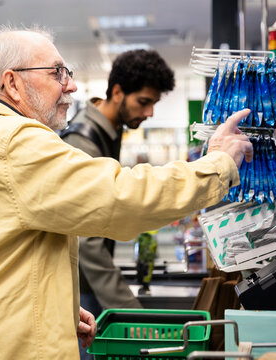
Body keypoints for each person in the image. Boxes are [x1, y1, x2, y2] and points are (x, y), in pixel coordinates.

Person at [0, 25, 253, 360]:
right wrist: (217, 164)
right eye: (57, 73)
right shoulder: (13, 143)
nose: (71, 85)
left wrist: (56, 310)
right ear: (12, 83)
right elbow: (122, 197)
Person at [60, 50, 174, 359]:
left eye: (154, 103)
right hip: (84, 287)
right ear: (117, 93)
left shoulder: (109, 129)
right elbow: (87, 241)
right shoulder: (83, 142)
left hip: (92, 282)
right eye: (143, 102)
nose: (149, 112)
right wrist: (132, 313)